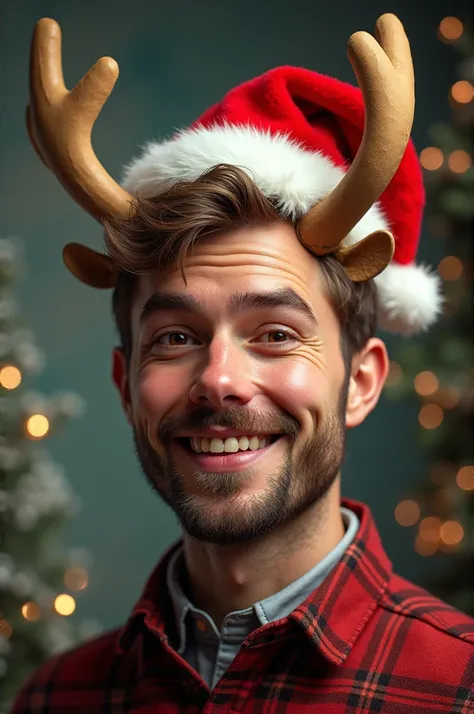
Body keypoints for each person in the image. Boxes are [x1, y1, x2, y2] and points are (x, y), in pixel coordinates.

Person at [13, 12, 473, 714]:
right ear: (124, 386)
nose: (220, 380)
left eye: (277, 334)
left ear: (362, 380)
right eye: (173, 337)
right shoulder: (54, 699)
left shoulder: (459, 688)